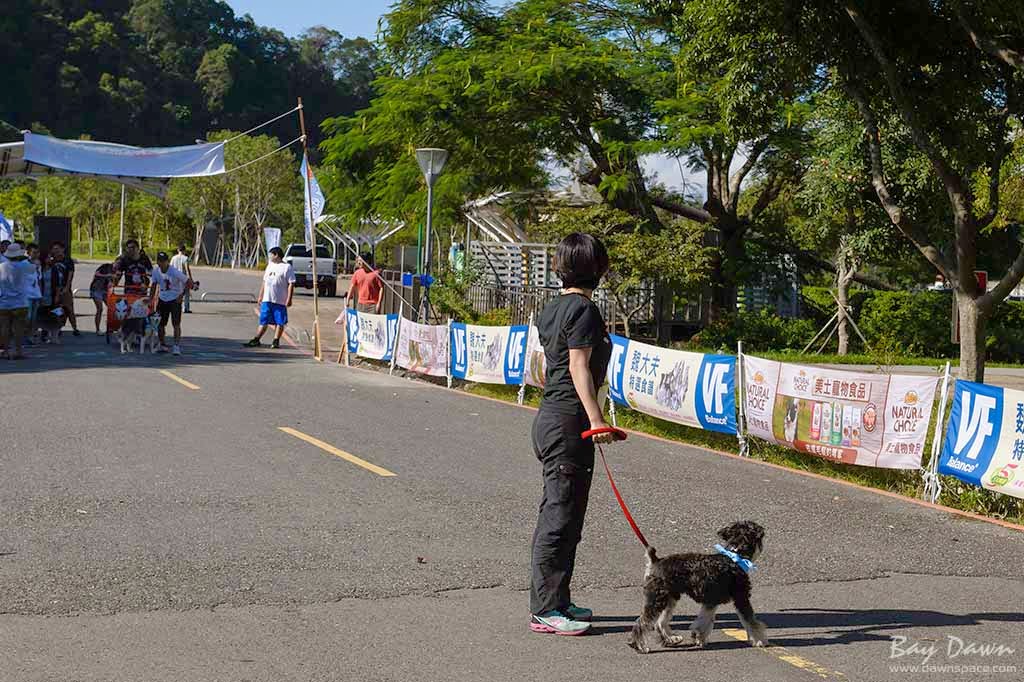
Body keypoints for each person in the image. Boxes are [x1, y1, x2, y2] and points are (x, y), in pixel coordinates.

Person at [528, 232, 616, 637]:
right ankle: (545, 609)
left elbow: (553, 366)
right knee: (559, 517)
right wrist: (596, 419)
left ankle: (559, 599)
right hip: (568, 421)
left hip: (554, 415)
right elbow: (579, 368)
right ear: (596, 268)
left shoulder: (554, 307)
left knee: (568, 515)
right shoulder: (583, 310)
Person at [245, 246, 294, 349]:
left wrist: (289, 299)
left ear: (276, 255)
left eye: (271, 254)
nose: (270, 257)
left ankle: (276, 341)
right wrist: (260, 296)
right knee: (264, 320)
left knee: (279, 321)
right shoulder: (269, 266)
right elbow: (264, 282)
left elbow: (291, 284)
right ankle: (256, 339)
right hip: (267, 299)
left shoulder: (287, 267)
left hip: (279, 300)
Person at [148, 251, 191, 355]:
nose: (162, 263)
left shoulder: (174, 272)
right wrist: (150, 299)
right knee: (160, 324)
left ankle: (176, 346)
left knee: (176, 324)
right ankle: (162, 344)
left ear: (167, 261)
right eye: (160, 261)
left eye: (164, 261)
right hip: (162, 299)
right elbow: (154, 285)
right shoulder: (156, 272)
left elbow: (188, 282)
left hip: (174, 299)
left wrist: (181, 295)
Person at [0, 242, 36, 359]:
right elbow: (34, 267)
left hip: (4, 302)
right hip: (20, 302)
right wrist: (25, 256)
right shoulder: (24, 265)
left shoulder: (1, 266)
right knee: (18, 329)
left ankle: (5, 351)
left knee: (5, 328)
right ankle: (18, 351)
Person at [50, 242, 79, 336]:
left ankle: (75, 328)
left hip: (65, 288)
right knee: (57, 309)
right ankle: (58, 328)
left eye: (57, 248)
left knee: (69, 309)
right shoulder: (52, 260)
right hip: (54, 289)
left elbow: (71, 274)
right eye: (54, 249)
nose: (55, 251)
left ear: (62, 249)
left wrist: (67, 287)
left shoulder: (67, 260)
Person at [23, 243, 42, 345]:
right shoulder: (24, 264)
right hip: (27, 294)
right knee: (28, 317)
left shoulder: (38, 264)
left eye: (37, 252)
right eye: (34, 252)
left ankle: (30, 336)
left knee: (34, 317)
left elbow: (39, 279)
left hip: (36, 294)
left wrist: (40, 293)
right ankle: (24, 336)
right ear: (28, 253)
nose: (36, 255)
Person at [89, 262, 114, 335]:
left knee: (111, 308)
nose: (117, 266)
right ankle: (97, 330)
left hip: (105, 290)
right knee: (100, 309)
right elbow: (97, 274)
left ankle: (110, 328)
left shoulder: (118, 271)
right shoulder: (106, 266)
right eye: (117, 263)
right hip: (96, 288)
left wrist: (111, 283)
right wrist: (107, 275)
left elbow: (112, 282)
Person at [170, 245, 193, 313]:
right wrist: (190, 279)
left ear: (178, 250)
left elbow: (170, 268)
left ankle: (173, 307)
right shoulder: (185, 258)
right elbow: (187, 269)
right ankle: (185, 308)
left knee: (176, 293)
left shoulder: (173, 258)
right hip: (183, 278)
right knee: (186, 293)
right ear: (184, 251)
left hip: (175, 278)